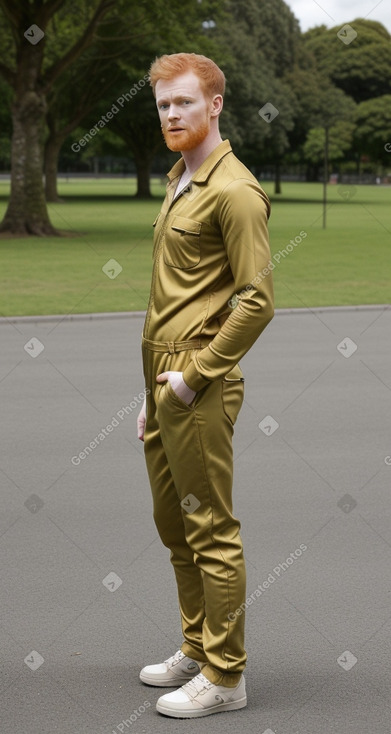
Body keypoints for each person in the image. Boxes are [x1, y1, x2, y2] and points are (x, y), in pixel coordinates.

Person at [136, 52, 274, 718]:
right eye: (162, 104)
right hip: (162, 381)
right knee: (173, 526)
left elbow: (255, 301)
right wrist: (149, 398)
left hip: (198, 380)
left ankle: (225, 677)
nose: (170, 114)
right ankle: (196, 646)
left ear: (214, 104)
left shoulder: (235, 190)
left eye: (183, 102)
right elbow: (171, 299)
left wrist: (190, 380)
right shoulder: (178, 180)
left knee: (209, 529)